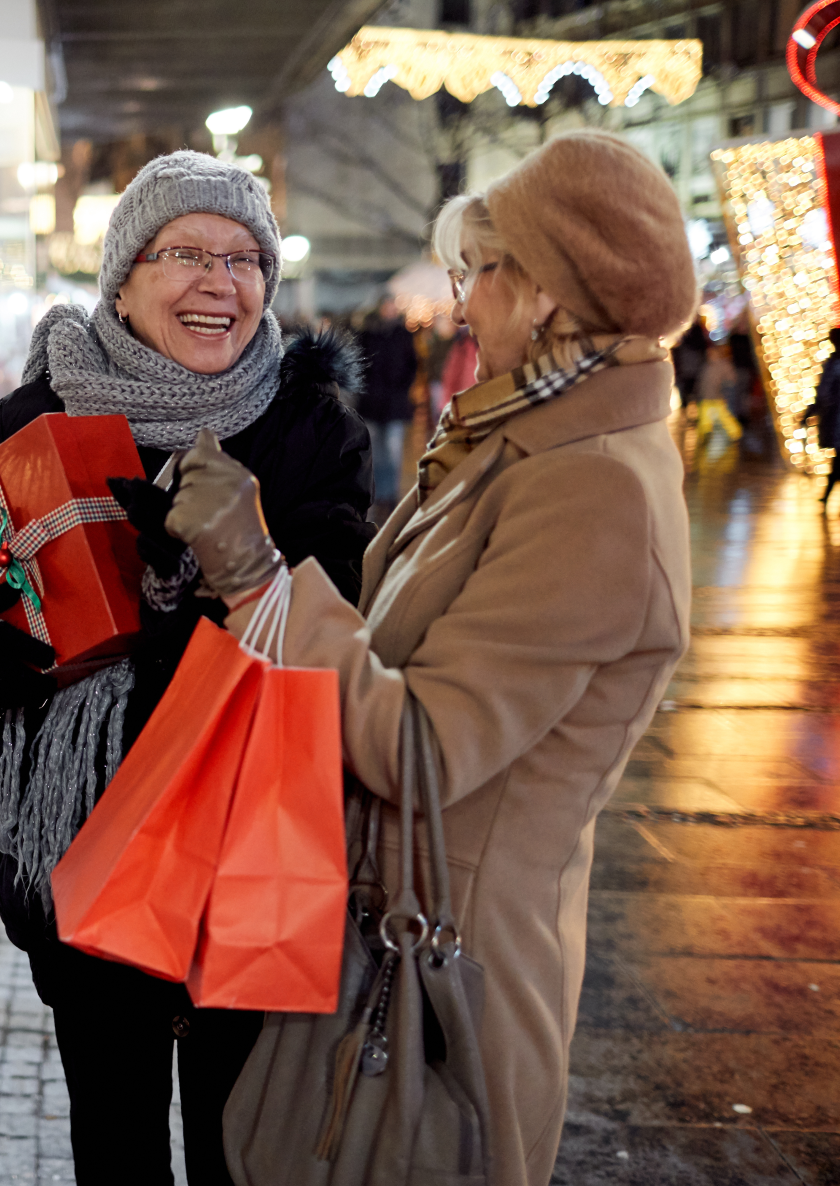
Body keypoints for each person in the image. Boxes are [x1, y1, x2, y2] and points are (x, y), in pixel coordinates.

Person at [166, 130, 694, 1186]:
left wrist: (258, 576)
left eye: (479, 273)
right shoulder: (513, 441)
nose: (459, 306)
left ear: (544, 292)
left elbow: (424, 744)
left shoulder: (592, 488)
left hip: (440, 974)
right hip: (376, 921)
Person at [0, 151, 375, 1186]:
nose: (223, 281)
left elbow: (334, 615)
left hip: (245, 844)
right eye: (188, 253)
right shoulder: (39, 419)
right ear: (123, 277)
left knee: (238, 1149)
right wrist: (11, 645)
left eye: (247, 257)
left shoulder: (308, 428)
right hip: (81, 849)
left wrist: (192, 578)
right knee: (113, 1142)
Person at [355, 296, 420, 508]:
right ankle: (378, 492)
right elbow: (360, 364)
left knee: (393, 451)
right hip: (372, 402)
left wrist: (403, 387)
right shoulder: (368, 334)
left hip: (394, 403)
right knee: (376, 451)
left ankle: (390, 494)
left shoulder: (403, 335)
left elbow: (412, 364)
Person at [802, 326, 840, 505]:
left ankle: (827, 493)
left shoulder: (833, 364)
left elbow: (824, 393)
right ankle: (828, 493)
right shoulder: (832, 363)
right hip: (834, 419)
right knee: (838, 458)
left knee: (838, 459)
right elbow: (823, 393)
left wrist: (811, 412)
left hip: (835, 419)